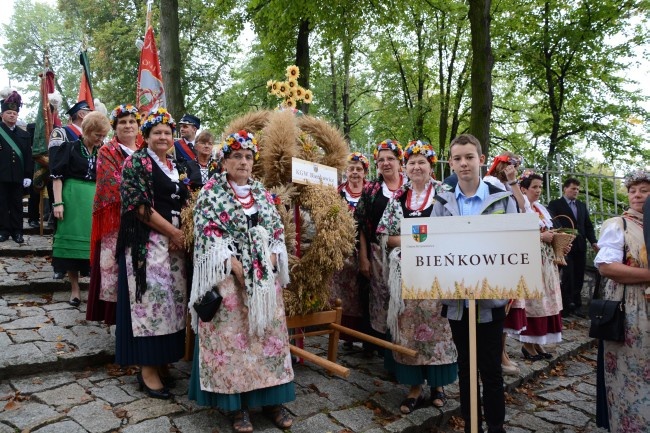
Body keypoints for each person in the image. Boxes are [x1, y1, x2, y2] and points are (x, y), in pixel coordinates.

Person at [188, 130, 294, 433]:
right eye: (237, 156)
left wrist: (271, 260)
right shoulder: (211, 193)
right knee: (234, 343)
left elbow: (276, 232)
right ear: (225, 160)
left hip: (263, 283)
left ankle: (273, 400)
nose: (243, 162)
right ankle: (238, 408)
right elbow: (207, 233)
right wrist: (235, 267)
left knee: (267, 339)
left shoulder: (262, 193)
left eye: (248, 157)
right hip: (229, 279)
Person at [431, 133, 517, 433]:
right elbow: (432, 245)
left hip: (489, 301)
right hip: (457, 302)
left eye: (469, 157)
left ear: (481, 159)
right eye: (457, 158)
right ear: (451, 163)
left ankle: (495, 427)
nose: (463, 163)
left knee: (491, 369)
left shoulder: (502, 199)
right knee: (465, 369)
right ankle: (471, 427)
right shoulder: (443, 201)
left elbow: (513, 245)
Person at [376, 140, 457, 414]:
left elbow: (456, 229)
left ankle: (438, 386)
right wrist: (414, 242)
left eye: (422, 162)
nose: (416, 167)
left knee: (439, 329)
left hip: (438, 274)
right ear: (405, 167)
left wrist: (430, 243)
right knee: (408, 331)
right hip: (407, 277)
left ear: (431, 166)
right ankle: (414, 388)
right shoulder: (398, 197)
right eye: (411, 163)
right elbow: (385, 236)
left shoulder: (445, 193)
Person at [115, 108, 189, 400]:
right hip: (146, 245)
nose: (163, 136)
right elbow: (138, 205)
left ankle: (162, 362)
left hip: (175, 245)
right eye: (156, 132)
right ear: (145, 136)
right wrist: (172, 232)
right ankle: (147, 370)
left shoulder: (176, 165)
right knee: (150, 305)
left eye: (167, 132)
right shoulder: (136, 162)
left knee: (173, 305)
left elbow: (186, 200)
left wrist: (182, 231)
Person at [594, 169, 649, 433]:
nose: (637, 195)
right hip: (631, 308)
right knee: (632, 374)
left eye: (644, 190)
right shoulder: (619, 225)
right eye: (633, 190)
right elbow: (607, 267)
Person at [86, 104, 141, 325]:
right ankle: (120, 325)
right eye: (123, 122)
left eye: (132, 122)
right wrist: (142, 197)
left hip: (148, 219)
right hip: (117, 220)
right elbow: (111, 183)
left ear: (138, 126)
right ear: (115, 127)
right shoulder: (107, 151)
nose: (128, 126)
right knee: (117, 272)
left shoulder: (145, 149)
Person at [49, 111, 109, 306]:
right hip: (72, 197)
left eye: (103, 135)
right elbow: (57, 176)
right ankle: (75, 289)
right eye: (97, 135)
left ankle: (93, 288)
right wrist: (58, 203)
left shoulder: (103, 152)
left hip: (94, 200)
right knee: (71, 249)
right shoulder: (69, 148)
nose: (100, 139)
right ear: (86, 130)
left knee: (94, 245)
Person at [355, 139, 406, 349]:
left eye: (390, 159)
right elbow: (361, 225)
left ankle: (403, 344)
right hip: (378, 255)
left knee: (403, 299)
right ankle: (384, 349)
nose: (386, 163)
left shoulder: (411, 186)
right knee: (381, 298)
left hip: (409, 251)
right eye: (381, 159)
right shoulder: (372, 190)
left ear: (399, 162)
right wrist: (363, 257)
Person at [483, 152, 526, 375]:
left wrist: (513, 182)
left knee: (507, 304)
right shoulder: (489, 183)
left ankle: (502, 352)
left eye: (514, 166)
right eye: (508, 164)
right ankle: (497, 354)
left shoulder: (510, 185)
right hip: (494, 248)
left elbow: (522, 209)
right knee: (497, 303)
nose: (512, 168)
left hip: (509, 247)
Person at [517, 170, 566, 361]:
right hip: (532, 261)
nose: (538, 191)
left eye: (540, 187)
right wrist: (540, 236)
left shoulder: (540, 209)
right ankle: (527, 344)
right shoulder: (521, 209)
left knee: (546, 302)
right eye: (534, 187)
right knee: (534, 302)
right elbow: (517, 235)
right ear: (523, 189)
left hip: (545, 261)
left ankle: (538, 342)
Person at [330, 152, 369, 346]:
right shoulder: (338, 192)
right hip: (342, 251)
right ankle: (345, 336)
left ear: (365, 172)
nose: (355, 173)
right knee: (343, 295)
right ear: (346, 171)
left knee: (362, 294)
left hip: (363, 250)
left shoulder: (370, 191)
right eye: (351, 169)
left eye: (359, 169)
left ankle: (363, 337)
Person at [547, 178, 598, 317]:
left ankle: (577, 304)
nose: (576, 191)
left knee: (579, 275)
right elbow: (552, 221)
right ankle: (565, 305)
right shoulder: (556, 204)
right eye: (573, 188)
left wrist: (593, 242)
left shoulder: (581, 205)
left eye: (577, 189)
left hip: (580, 245)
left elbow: (587, 225)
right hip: (564, 244)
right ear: (565, 188)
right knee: (567, 275)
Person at [0, 91, 32, 244]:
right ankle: (4, 230)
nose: (12, 115)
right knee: (2, 203)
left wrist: (28, 175)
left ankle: (17, 231)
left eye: (14, 113)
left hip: (18, 176)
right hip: (1, 175)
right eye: (9, 113)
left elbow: (27, 157)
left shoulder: (24, 134)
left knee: (17, 204)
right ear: (2, 115)